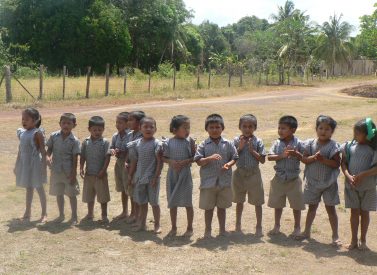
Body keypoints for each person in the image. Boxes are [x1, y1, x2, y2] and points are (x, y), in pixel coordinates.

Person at [296, 115, 341, 245]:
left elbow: (336, 164)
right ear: (316, 129)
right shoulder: (310, 143)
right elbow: (304, 159)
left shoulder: (333, 146)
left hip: (329, 183)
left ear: (332, 132)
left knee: (331, 209)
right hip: (312, 182)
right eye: (321, 128)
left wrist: (323, 160)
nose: (323, 131)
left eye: (327, 129)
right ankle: (306, 231)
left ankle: (335, 236)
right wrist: (314, 158)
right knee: (312, 208)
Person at [194, 114, 238, 238]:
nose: (214, 130)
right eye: (211, 127)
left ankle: (222, 230)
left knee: (222, 207)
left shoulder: (228, 143)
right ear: (206, 129)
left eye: (217, 127)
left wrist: (228, 165)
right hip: (208, 182)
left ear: (222, 128)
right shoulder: (204, 145)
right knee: (208, 208)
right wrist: (209, 158)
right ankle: (207, 230)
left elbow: (234, 157)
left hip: (224, 182)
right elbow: (198, 161)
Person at [341, 118, 377, 251]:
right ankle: (353, 240)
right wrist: (348, 176)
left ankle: (363, 240)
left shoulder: (374, 149)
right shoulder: (350, 146)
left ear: (369, 134)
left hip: (368, 187)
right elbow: (343, 163)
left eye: (358, 133)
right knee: (354, 212)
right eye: (354, 133)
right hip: (352, 186)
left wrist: (362, 175)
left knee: (365, 213)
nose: (355, 136)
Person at [267, 115, 305, 237]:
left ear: (293, 130)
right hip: (279, 178)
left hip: (294, 179)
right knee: (277, 204)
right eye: (279, 128)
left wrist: (296, 153)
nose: (280, 131)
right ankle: (277, 226)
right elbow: (269, 157)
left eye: (283, 128)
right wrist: (281, 156)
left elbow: (305, 157)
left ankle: (297, 228)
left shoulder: (299, 143)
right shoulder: (277, 143)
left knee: (296, 205)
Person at [232, 114, 266, 236]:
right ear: (239, 127)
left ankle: (259, 226)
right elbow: (232, 157)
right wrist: (240, 148)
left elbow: (262, 160)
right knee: (239, 201)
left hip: (254, 174)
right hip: (239, 174)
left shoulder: (258, 141)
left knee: (258, 202)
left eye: (250, 126)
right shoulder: (236, 141)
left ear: (255, 127)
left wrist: (252, 151)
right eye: (244, 126)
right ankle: (238, 225)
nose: (247, 129)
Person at [162, 115, 196, 237]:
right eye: (184, 127)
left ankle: (190, 227)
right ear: (175, 129)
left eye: (189, 127)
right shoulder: (168, 142)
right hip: (172, 175)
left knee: (188, 202)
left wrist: (185, 162)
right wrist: (171, 162)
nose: (187, 130)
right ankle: (173, 227)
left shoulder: (190, 141)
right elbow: (164, 157)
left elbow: (194, 157)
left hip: (185, 175)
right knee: (173, 202)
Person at [128, 117, 163, 233]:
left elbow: (159, 162)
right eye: (145, 127)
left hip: (152, 178)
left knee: (154, 203)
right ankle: (142, 224)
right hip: (139, 178)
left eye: (151, 127)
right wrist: (131, 175)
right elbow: (135, 161)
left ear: (155, 129)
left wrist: (155, 177)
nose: (148, 129)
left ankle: (157, 225)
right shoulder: (137, 144)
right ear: (140, 128)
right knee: (142, 202)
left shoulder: (157, 144)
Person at [14, 108, 48, 223]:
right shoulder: (22, 133)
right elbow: (20, 150)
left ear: (35, 120)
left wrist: (44, 167)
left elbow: (43, 151)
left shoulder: (37, 133)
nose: (24, 121)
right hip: (25, 164)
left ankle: (44, 213)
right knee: (29, 188)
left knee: (39, 188)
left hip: (35, 164)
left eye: (27, 119)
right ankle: (27, 212)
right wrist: (17, 164)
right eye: (23, 119)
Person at [46, 113, 81, 225]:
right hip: (56, 170)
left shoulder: (74, 140)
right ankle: (61, 215)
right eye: (63, 123)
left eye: (69, 123)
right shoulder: (53, 136)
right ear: (59, 124)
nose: (66, 125)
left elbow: (75, 158)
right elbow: (49, 149)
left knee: (71, 194)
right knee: (59, 193)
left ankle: (74, 216)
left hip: (68, 171)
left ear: (74, 125)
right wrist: (48, 157)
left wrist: (73, 173)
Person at [80, 116, 111, 223]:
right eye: (94, 130)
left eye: (100, 130)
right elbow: (83, 156)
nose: (97, 132)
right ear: (89, 129)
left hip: (100, 175)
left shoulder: (105, 142)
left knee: (103, 197)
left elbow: (107, 157)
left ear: (103, 129)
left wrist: (103, 171)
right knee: (89, 196)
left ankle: (104, 215)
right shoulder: (85, 142)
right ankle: (90, 213)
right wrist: (81, 168)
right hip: (89, 174)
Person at [122, 110, 145, 223]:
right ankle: (133, 213)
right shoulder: (130, 135)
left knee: (138, 193)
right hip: (130, 166)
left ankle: (139, 215)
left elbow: (137, 156)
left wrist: (131, 172)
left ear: (140, 122)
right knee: (131, 191)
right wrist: (126, 161)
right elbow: (129, 150)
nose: (128, 122)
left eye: (131, 120)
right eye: (128, 120)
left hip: (138, 168)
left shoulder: (142, 135)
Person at [110, 112, 130, 220]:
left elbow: (132, 149)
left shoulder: (130, 135)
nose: (118, 125)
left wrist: (124, 152)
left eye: (120, 123)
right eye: (116, 122)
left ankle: (134, 213)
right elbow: (111, 147)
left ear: (127, 124)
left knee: (129, 188)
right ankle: (124, 211)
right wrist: (113, 150)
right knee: (122, 187)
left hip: (128, 164)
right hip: (119, 164)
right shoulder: (115, 136)